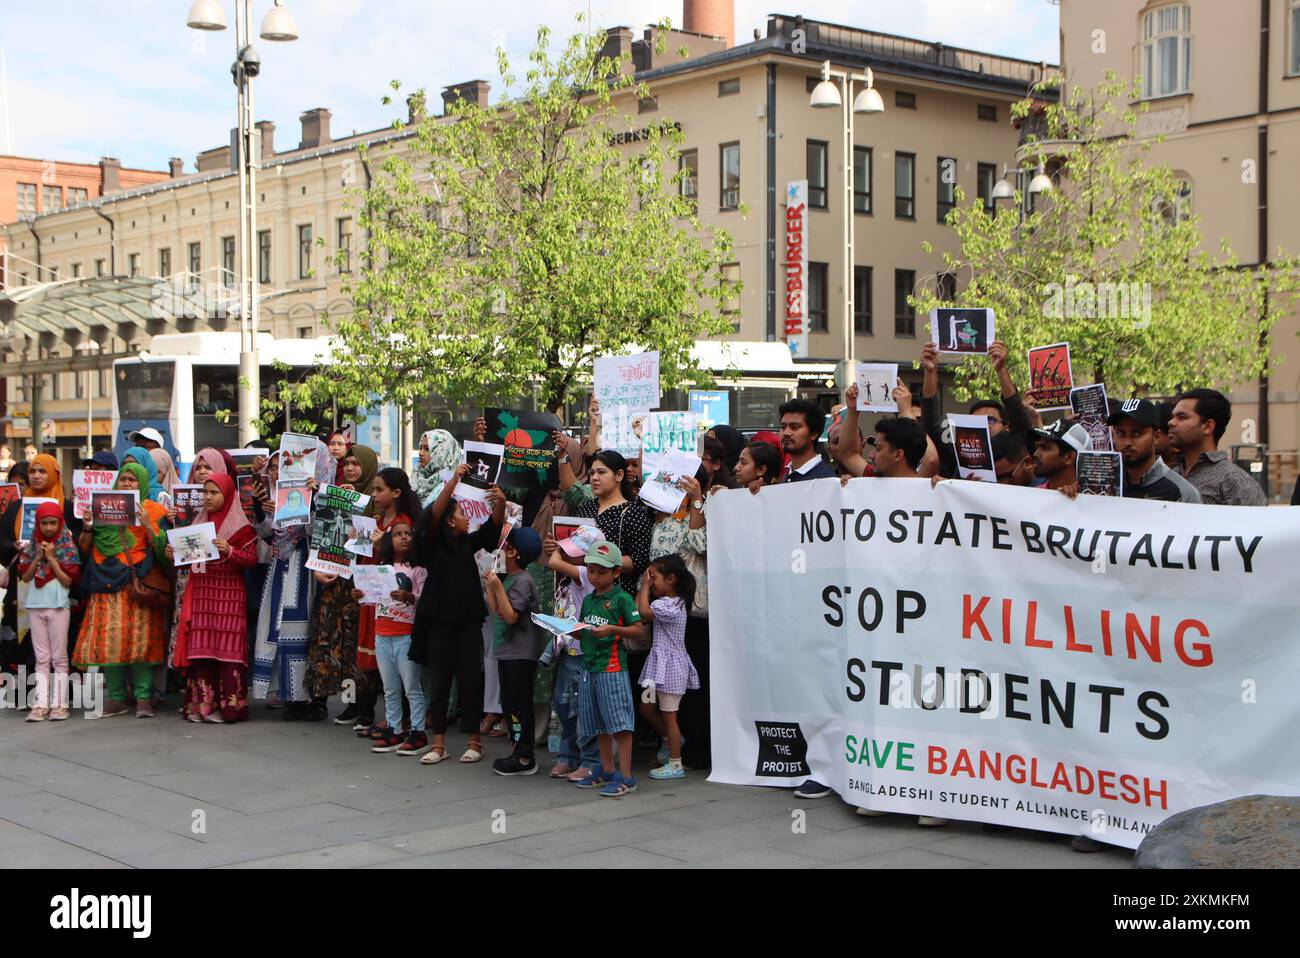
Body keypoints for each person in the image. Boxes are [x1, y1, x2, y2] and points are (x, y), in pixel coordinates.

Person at [411, 463, 506, 766]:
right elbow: (434, 514)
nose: (467, 518)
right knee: (439, 680)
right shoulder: (433, 543)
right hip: (438, 617)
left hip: (467, 618)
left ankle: (474, 741)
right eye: (462, 514)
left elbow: (492, 532)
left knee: (470, 679)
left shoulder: (468, 542)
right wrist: (454, 480)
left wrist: (500, 503)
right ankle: (438, 744)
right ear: (450, 522)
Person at [72, 463, 169, 719]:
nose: (127, 484)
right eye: (123, 479)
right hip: (105, 583)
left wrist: (148, 524)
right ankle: (116, 698)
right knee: (109, 642)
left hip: (137, 583)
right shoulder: (100, 507)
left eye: (132, 480)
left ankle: (143, 697)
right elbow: (84, 549)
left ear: (142, 483)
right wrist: (89, 525)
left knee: (141, 641)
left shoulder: (153, 510)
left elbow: (164, 552)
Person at [252, 440, 333, 716]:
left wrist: (315, 499)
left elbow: (325, 531)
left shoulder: (324, 493)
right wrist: (260, 508)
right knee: (282, 630)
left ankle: (314, 699)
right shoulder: (281, 495)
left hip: (311, 569)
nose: (279, 472)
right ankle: (291, 696)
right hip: (282, 566)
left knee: (309, 631)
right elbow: (270, 536)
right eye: (274, 468)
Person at [171, 473, 258, 723]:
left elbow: (251, 560)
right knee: (203, 651)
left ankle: (230, 708)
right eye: (205, 493)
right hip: (203, 593)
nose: (207, 497)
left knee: (228, 652)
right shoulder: (198, 523)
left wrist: (229, 550)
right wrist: (173, 553)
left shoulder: (241, 527)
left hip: (229, 595)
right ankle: (202, 706)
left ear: (227, 494)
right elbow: (185, 563)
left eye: (214, 492)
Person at [307, 444, 377, 729]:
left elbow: (371, 542)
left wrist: (355, 504)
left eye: (356, 463)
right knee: (332, 645)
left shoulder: (375, 499)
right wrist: (319, 570)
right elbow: (323, 538)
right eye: (346, 463)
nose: (349, 468)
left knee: (355, 647)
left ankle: (361, 706)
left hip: (360, 583)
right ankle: (341, 701)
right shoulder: (335, 495)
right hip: (334, 581)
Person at [572, 540, 645, 798]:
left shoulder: (622, 599)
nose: (594, 576)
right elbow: (583, 633)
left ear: (616, 572)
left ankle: (626, 776)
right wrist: (571, 630)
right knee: (599, 724)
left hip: (612, 668)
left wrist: (614, 630)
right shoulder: (590, 600)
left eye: (602, 572)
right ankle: (606, 770)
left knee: (620, 724)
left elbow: (638, 629)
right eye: (591, 570)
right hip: (589, 667)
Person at [354, 463, 421, 737]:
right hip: (376, 601)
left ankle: (409, 724)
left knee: (407, 677)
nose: (374, 495)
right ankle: (391, 721)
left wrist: (382, 543)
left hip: (400, 610)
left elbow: (408, 565)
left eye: (379, 490)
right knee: (387, 673)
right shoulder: (378, 523)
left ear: (395, 493)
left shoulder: (403, 525)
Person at [483, 526, 544, 775]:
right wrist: (491, 583)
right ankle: (517, 748)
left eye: (507, 546)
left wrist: (497, 586)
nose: (502, 549)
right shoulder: (510, 578)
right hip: (507, 651)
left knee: (519, 704)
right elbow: (495, 607)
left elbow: (510, 616)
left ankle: (524, 755)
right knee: (510, 703)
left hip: (521, 653)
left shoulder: (523, 581)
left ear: (514, 553)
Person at [542, 532, 602, 781]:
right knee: (563, 705)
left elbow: (553, 562)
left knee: (584, 708)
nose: (566, 556)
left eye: (574, 554)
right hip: (568, 652)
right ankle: (568, 755)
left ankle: (591, 759)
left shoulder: (587, 576)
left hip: (585, 654)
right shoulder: (568, 581)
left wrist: (555, 550)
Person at [635, 553, 699, 780]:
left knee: (670, 716)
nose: (651, 581)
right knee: (647, 708)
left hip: (670, 669)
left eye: (654, 577)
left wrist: (643, 586)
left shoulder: (670, 605)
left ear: (670, 579)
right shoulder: (666, 603)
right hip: (657, 668)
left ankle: (675, 763)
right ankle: (672, 741)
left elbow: (642, 613)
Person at [369, 517, 430, 755]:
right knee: (390, 688)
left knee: (411, 687)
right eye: (397, 534)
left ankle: (418, 731)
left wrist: (408, 597)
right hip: (382, 634)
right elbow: (370, 594)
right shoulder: (381, 567)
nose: (404, 537)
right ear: (389, 540)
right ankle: (395, 729)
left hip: (406, 634)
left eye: (408, 533)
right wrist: (358, 594)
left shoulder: (418, 569)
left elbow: (424, 599)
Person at [556, 447, 652, 597]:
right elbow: (575, 549)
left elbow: (639, 561)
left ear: (619, 475)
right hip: (582, 594)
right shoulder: (586, 507)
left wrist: (602, 556)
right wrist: (559, 549)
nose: (594, 477)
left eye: (601, 472)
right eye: (592, 473)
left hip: (615, 598)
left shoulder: (633, 514)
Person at [17, 502, 81, 721]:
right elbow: (25, 577)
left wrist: (52, 558)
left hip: (58, 605)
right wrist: (38, 557)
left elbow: (68, 579)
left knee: (59, 657)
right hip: (36, 605)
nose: (48, 528)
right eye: (44, 523)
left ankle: (60, 705)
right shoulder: (32, 546)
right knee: (41, 657)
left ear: (60, 522)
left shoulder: (67, 545)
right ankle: (40, 704)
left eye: (53, 522)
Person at [1168, 388, 1266, 506]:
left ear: (1208, 426)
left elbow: (1256, 523)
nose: (1171, 422)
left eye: (1182, 417)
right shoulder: (1169, 476)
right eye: (1173, 417)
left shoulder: (1234, 480)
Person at [1108, 400, 1200, 503]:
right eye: (1121, 433)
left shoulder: (1182, 492)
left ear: (1156, 436)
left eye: (1137, 433)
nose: (1127, 442)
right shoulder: (1104, 485)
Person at [778, 398, 835, 482]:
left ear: (813, 434)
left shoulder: (826, 480)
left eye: (794, 427)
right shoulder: (785, 476)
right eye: (783, 427)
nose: (786, 433)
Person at [1030, 421, 1090, 492]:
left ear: (1069, 457)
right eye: (1037, 447)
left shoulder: (1094, 498)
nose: (1035, 454)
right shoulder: (1034, 495)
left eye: (1045, 448)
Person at [412, 429, 462, 507]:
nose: (420, 453)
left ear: (442, 452)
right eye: (420, 447)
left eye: (427, 449)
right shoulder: (416, 475)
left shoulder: (453, 486)